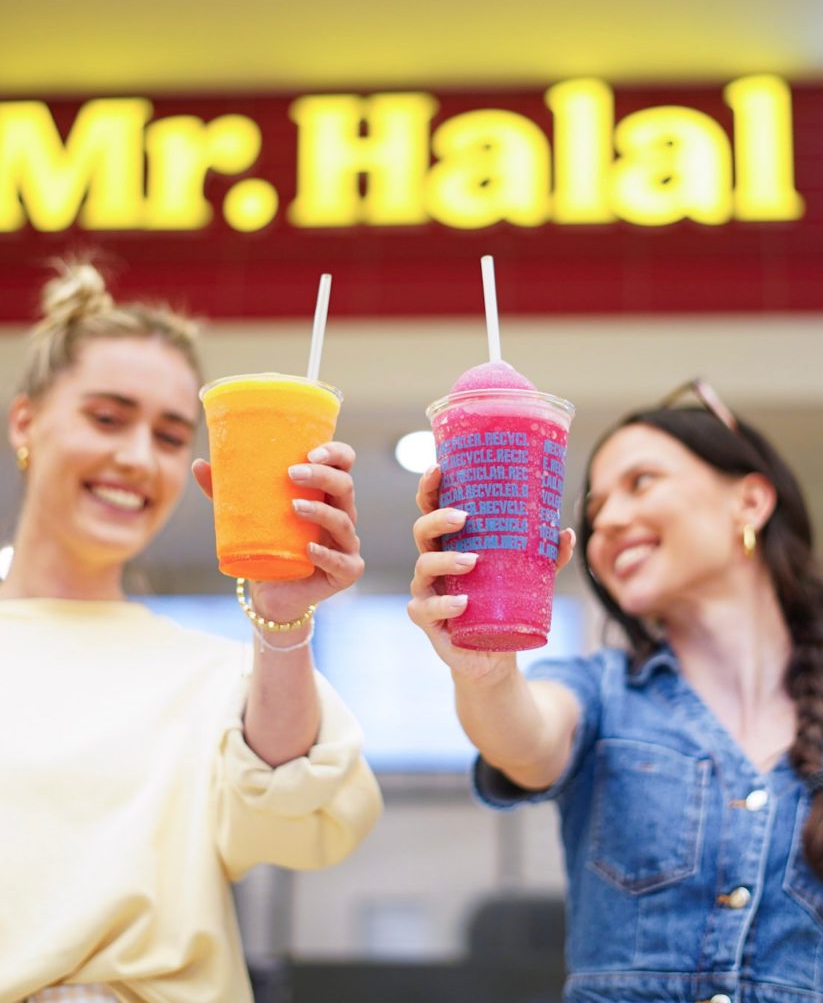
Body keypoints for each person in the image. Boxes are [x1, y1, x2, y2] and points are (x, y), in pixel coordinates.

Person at [1, 262, 382, 1003]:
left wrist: (282, 617)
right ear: (26, 422)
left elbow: (295, 823)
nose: (138, 458)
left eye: (172, 436)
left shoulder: (217, 675)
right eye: (107, 419)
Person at [409, 378, 823, 1003]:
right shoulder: (600, 690)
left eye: (641, 482)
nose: (608, 521)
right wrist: (486, 671)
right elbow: (524, 741)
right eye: (596, 508)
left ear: (750, 501)